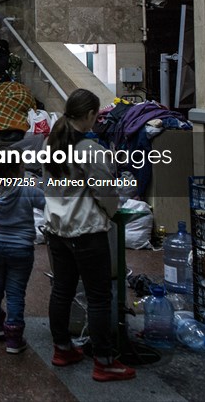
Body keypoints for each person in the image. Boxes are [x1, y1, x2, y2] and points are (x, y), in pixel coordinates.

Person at [43, 88, 136, 382]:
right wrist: (109, 213)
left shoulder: (51, 142)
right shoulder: (89, 149)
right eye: (96, 115)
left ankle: (62, 349)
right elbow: (105, 192)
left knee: (62, 290)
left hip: (57, 231)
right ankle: (105, 362)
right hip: (86, 232)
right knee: (98, 297)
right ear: (90, 115)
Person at [0, 157, 45, 354]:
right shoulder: (27, 190)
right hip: (21, 250)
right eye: (21, 166)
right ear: (13, 171)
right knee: (15, 292)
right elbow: (50, 203)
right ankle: (13, 339)